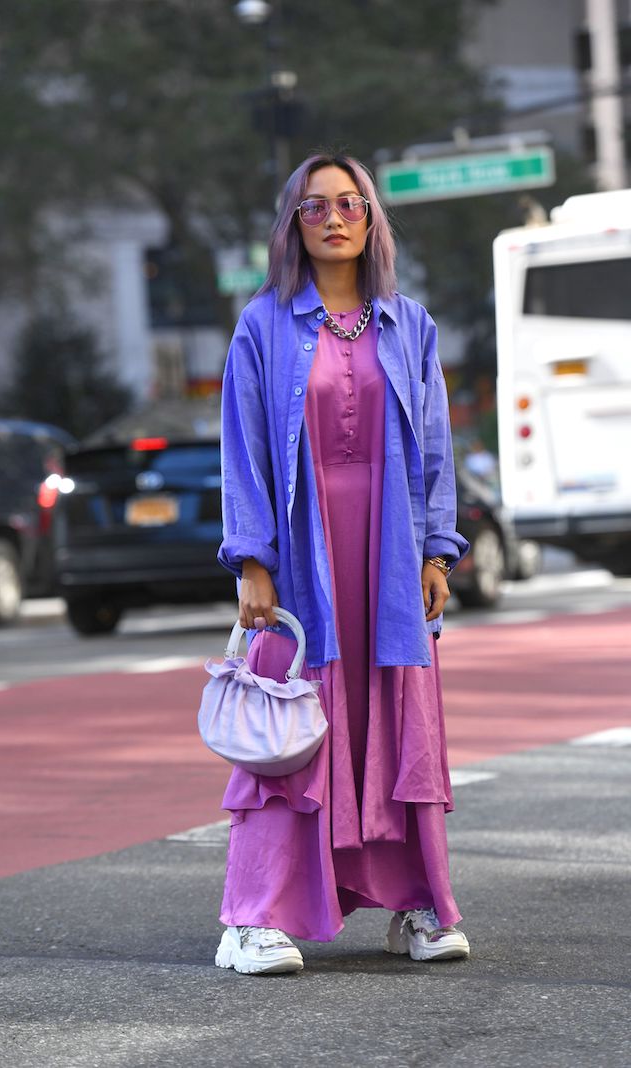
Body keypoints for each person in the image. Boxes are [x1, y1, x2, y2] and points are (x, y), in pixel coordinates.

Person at [214, 153, 471, 976]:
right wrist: (251, 559)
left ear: (371, 220)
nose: (334, 216)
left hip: (391, 556)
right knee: (291, 726)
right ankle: (252, 919)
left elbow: (434, 444)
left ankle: (417, 905)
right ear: (293, 224)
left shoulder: (410, 324)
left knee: (400, 719)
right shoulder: (263, 325)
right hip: (300, 555)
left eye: (350, 202)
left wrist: (438, 545)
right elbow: (243, 449)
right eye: (315, 205)